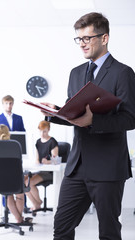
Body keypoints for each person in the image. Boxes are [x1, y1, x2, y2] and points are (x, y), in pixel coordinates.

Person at [41, 12, 135, 240]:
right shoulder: (75, 73)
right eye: (79, 39)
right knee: (61, 227)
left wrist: (94, 121)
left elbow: (130, 118)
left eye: (87, 38)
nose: (82, 44)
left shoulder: (123, 73)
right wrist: (55, 112)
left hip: (107, 166)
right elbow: (74, 111)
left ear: (104, 38)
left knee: (109, 232)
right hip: (77, 166)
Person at [0, 124, 32, 223]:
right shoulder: (15, 146)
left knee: (8, 195)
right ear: (9, 134)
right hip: (15, 180)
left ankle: (18, 218)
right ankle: (19, 219)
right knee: (20, 194)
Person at [25, 120, 58, 211]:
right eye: (40, 131)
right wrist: (37, 161)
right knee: (23, 181)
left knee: (29, 182)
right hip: (41, 170)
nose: (42, 134)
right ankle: (36, 203)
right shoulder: (38, 142)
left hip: (49, 172)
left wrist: (48, 162)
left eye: (44, 131)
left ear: (49, 130)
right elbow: (37, 159)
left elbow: (55, 160)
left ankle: (37, 203)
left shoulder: (52, 141)